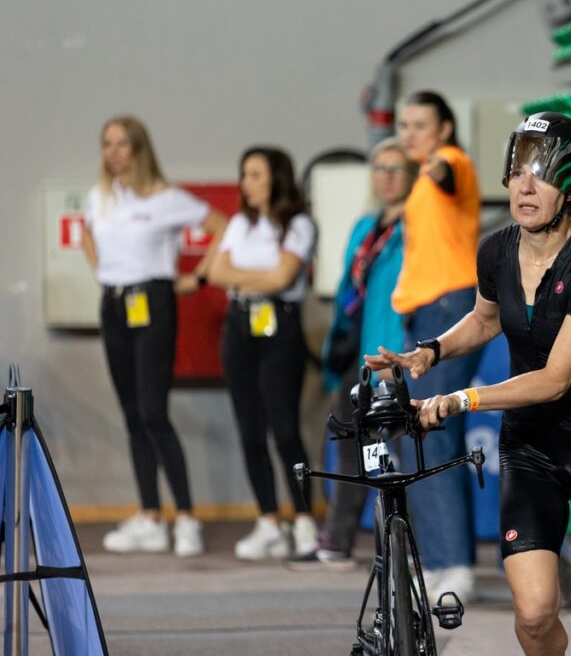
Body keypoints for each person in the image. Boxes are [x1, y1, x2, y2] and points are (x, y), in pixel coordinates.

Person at [369, 113, 571, 656]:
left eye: (541, 172)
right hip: (531, 450)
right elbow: (486, 319)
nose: (524, 184)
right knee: (536, 615)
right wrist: (433, 351)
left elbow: (555, 380)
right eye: (518, 169)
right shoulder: (496, 250)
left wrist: (460, 399)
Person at [82, 115, 227, 557]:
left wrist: (198, 278)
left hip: (153, 302)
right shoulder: (100, 197)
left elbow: (222, 226)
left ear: (139, 149)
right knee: (131, 413)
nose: (113, 152)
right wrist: (103, 271)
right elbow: (88, 233)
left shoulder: (167, 198)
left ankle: (185, 516)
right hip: (114, 303)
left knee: (152, 411)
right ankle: (149, 515)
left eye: (122, 144)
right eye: (107, 143)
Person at [289, 137, 415, 569]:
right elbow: (350, 290)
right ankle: (339, 539)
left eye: (397, 168)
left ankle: (401, 548)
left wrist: (400, 357)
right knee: (353, 450)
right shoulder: (366, 226)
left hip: (391, 356)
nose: (387, 177)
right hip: (355, 355)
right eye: (380, 168)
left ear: (412, 176)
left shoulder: (416, 228)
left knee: (395, 454)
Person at [389, 90, 483, 600]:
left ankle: (456, 565)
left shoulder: (449, 162)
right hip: (424, 311)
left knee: (432, 432)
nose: (410, 134)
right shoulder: (420, 179)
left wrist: (435, 166)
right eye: (403, 125)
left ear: (444, 128)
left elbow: (447, 173)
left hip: (449, 308)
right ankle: (443, 560)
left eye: (420, 124)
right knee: (416, 435)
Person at [208, 146, 317, 560]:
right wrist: (260, 277)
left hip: (279, 326)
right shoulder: (239, 224)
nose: (246, 184)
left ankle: (304, 520)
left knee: (284, 429)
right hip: (238, 328)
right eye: (244, 175)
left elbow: (283, 278)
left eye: (255, 174)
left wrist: (248, 278)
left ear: (276, 178)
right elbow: (216, 273)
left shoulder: (298, 225)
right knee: (249, 429)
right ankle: (269, 520)